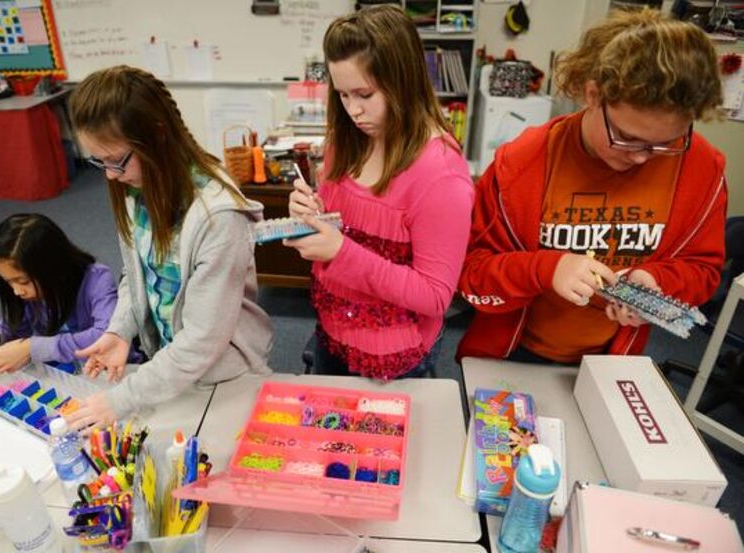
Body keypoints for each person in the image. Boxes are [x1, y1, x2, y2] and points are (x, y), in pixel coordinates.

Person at [457, 8, 727, 364]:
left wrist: (658, 280)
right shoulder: (522, 164)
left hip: (613, 358)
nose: (643, 158)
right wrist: (546, 269)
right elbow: (472, 276)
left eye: (667, 143)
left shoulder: (702, 167)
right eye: (628, 138)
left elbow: (704, 269)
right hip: (514, 351)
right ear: (593, 95)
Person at [64, 66, 273, 429]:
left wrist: (120, 400)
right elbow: (137, 273)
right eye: (98, 161)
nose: (109, 175)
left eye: (115, 160)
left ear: (157, 136)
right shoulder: (134, 187)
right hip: (169, 370)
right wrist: (119, 330)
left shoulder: (219, 217)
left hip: (222, 377)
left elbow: (201, 342)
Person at [286, 5, 474, 380]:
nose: (353, 111)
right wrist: (311, 212)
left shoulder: (440, 176)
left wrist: (341, 251)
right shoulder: (348, 139)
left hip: (394, 358)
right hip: (332, 330)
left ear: (403, 81)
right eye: (342, 95)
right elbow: (342, 221)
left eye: (365, 94)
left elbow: (436, 295)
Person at [0, 213, 119, 374]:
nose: (17, 291)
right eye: (8, 282)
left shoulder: (97, 279)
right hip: (61, 373)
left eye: (23, 281)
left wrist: (32, 347)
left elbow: (107, 336)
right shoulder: (30, 293)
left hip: (107, 371)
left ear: (52, 266)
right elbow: (18, 326)